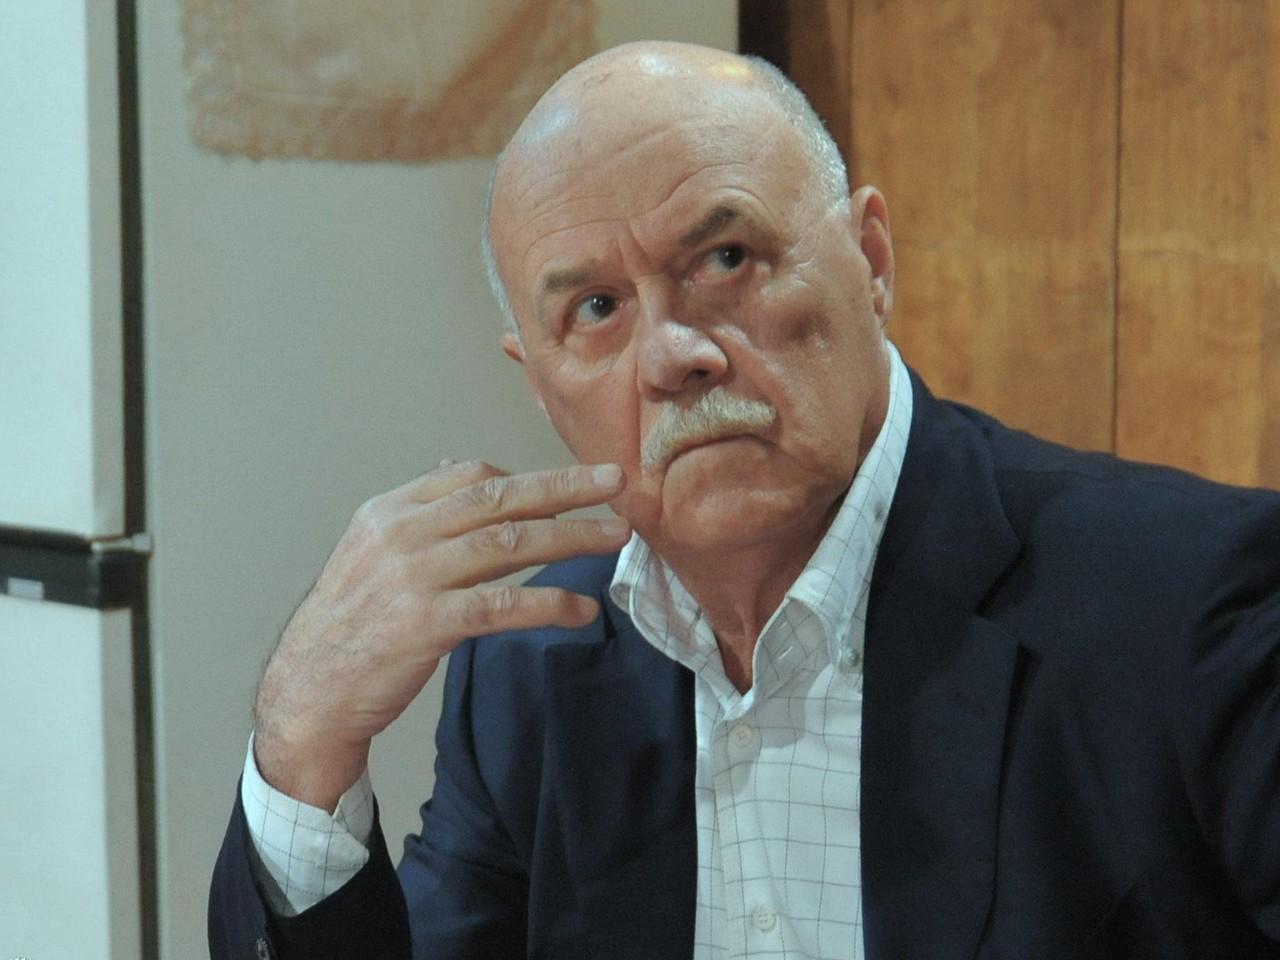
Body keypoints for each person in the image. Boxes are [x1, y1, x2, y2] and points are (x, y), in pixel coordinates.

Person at [209, 41, 1280, 959]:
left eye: (725, 258)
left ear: (870, 259)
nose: (672, 354)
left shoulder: (1193, 606)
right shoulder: (533, 669)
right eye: (596, 309)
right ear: (536, 384)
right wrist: (303, 737)